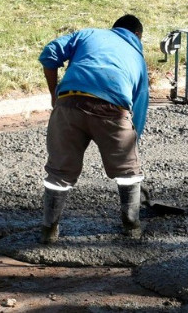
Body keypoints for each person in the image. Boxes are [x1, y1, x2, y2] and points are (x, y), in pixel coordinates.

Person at [37, 14, 148, 244]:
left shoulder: (88, 34)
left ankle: (49, 230)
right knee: (128, 173)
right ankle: (132, 227)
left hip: (68, 104)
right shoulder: (137, 58)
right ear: (137, 36)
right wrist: (131, 151)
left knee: (59, 171)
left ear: (114, 28)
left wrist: (54, 94)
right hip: (113, 109)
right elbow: (138, 111)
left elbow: (49, 54)